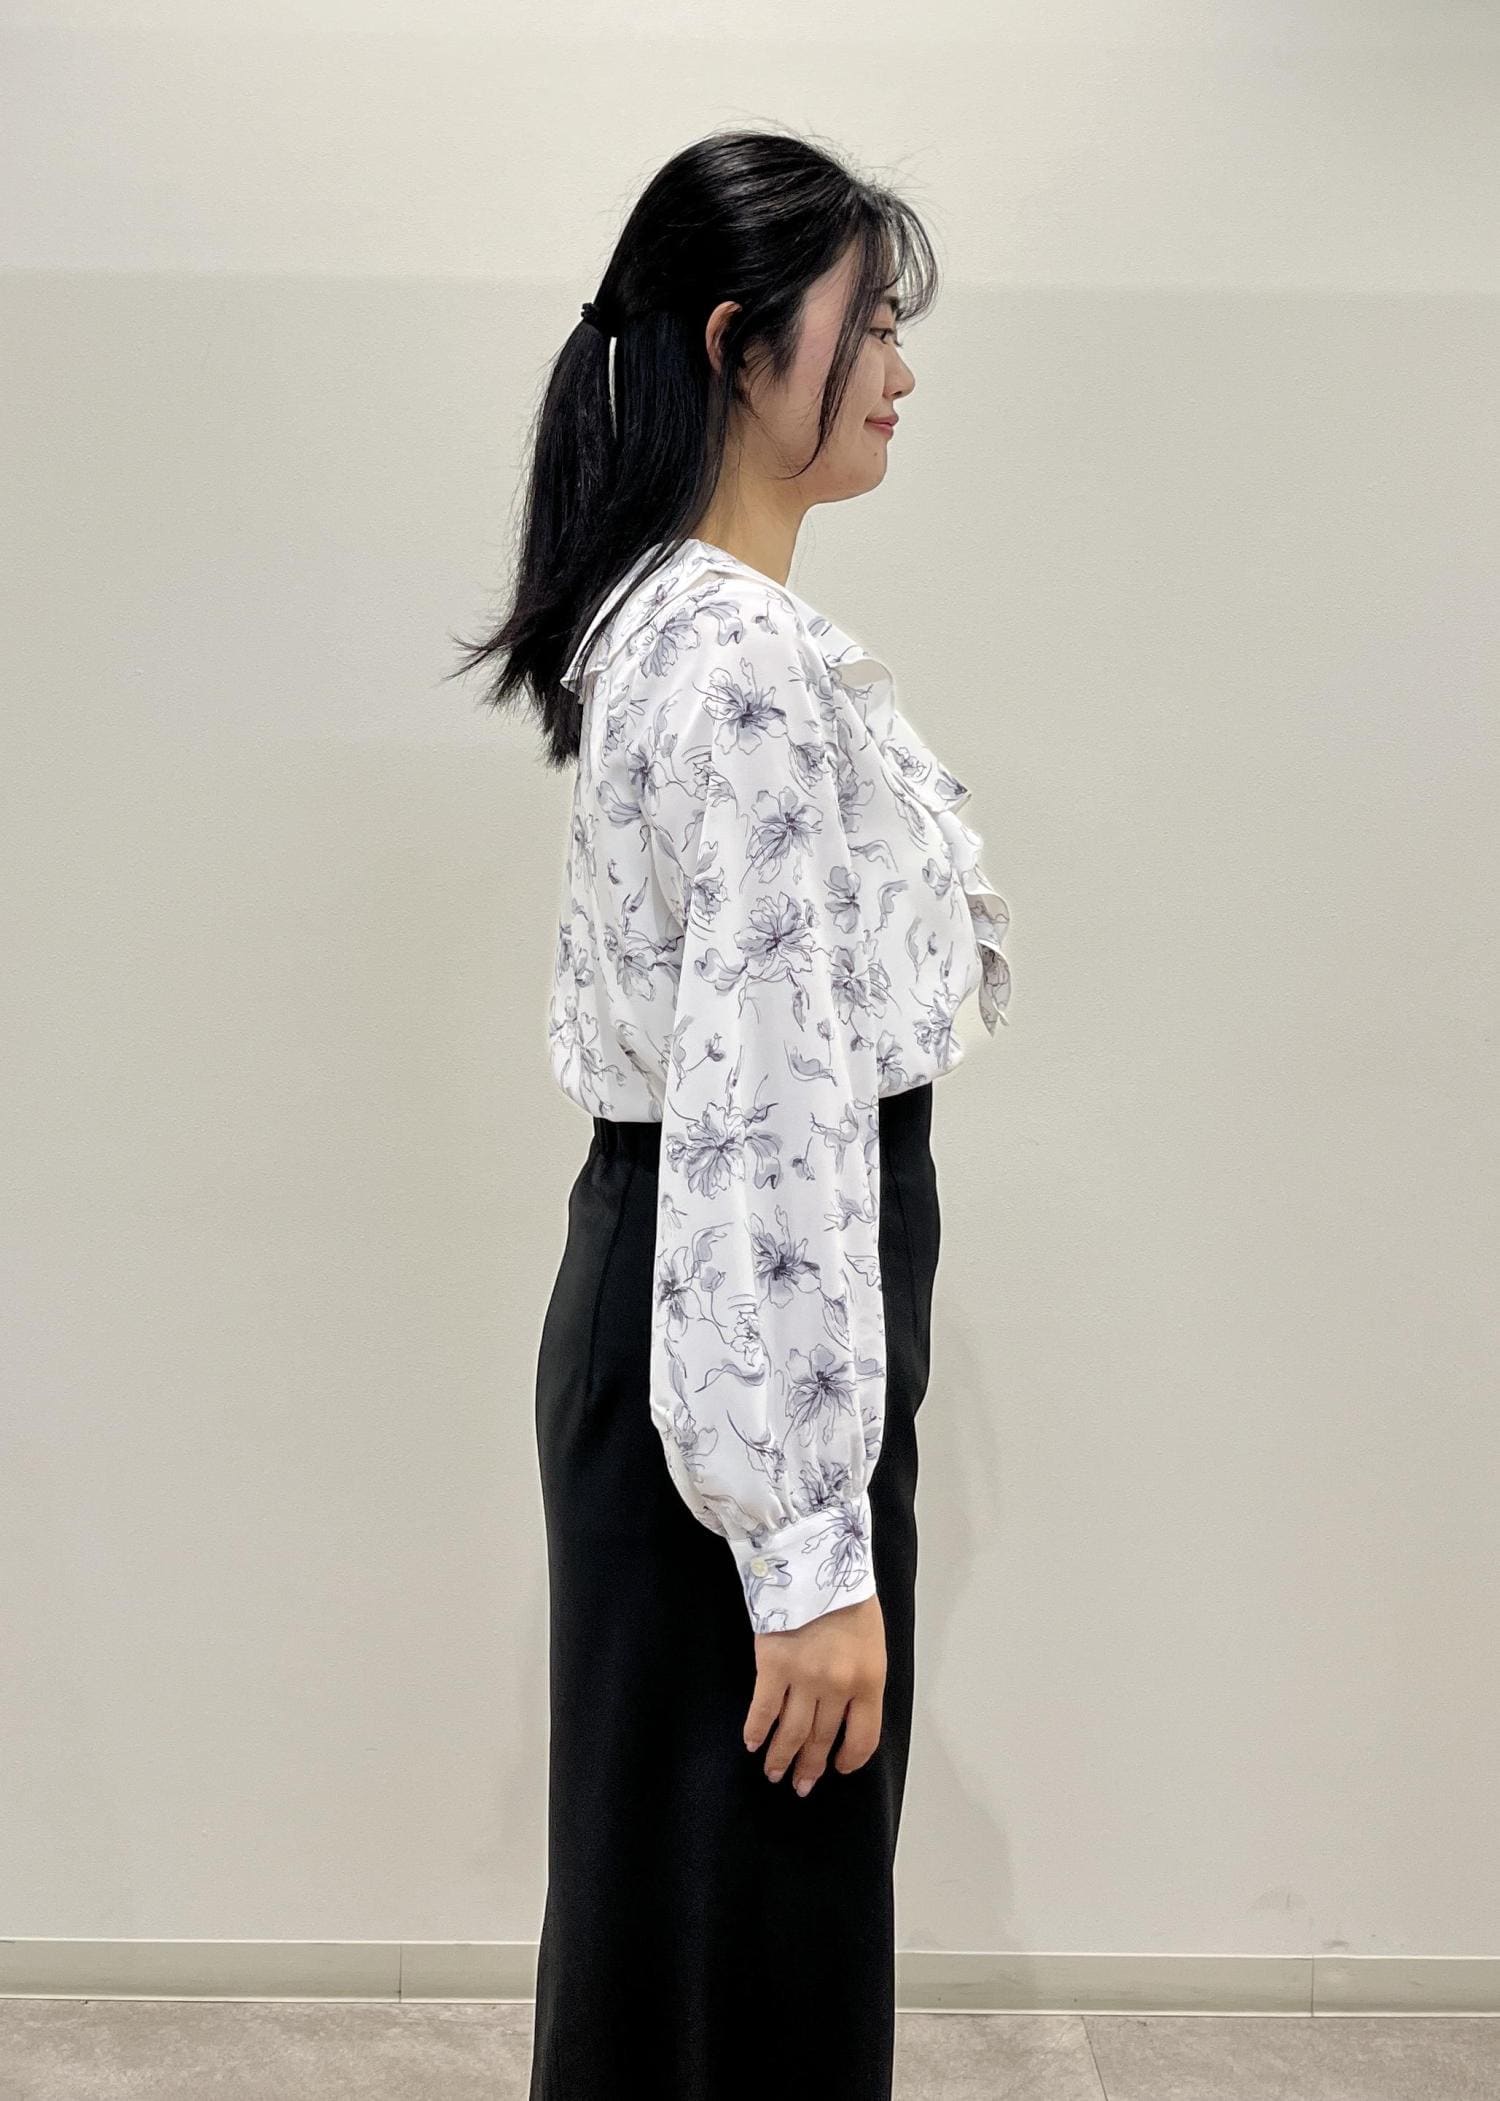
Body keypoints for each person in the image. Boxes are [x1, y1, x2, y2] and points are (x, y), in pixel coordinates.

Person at [449, 124, 1011, 2101]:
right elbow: (764, 1117)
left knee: (677, 1960)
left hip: (668, 1326)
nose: (900, 372)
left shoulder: (671, 620)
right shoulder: (744, 663)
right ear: (735, 343)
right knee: (740, 1973)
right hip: (732, 1360)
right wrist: (807, 1554)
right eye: (872, 328)